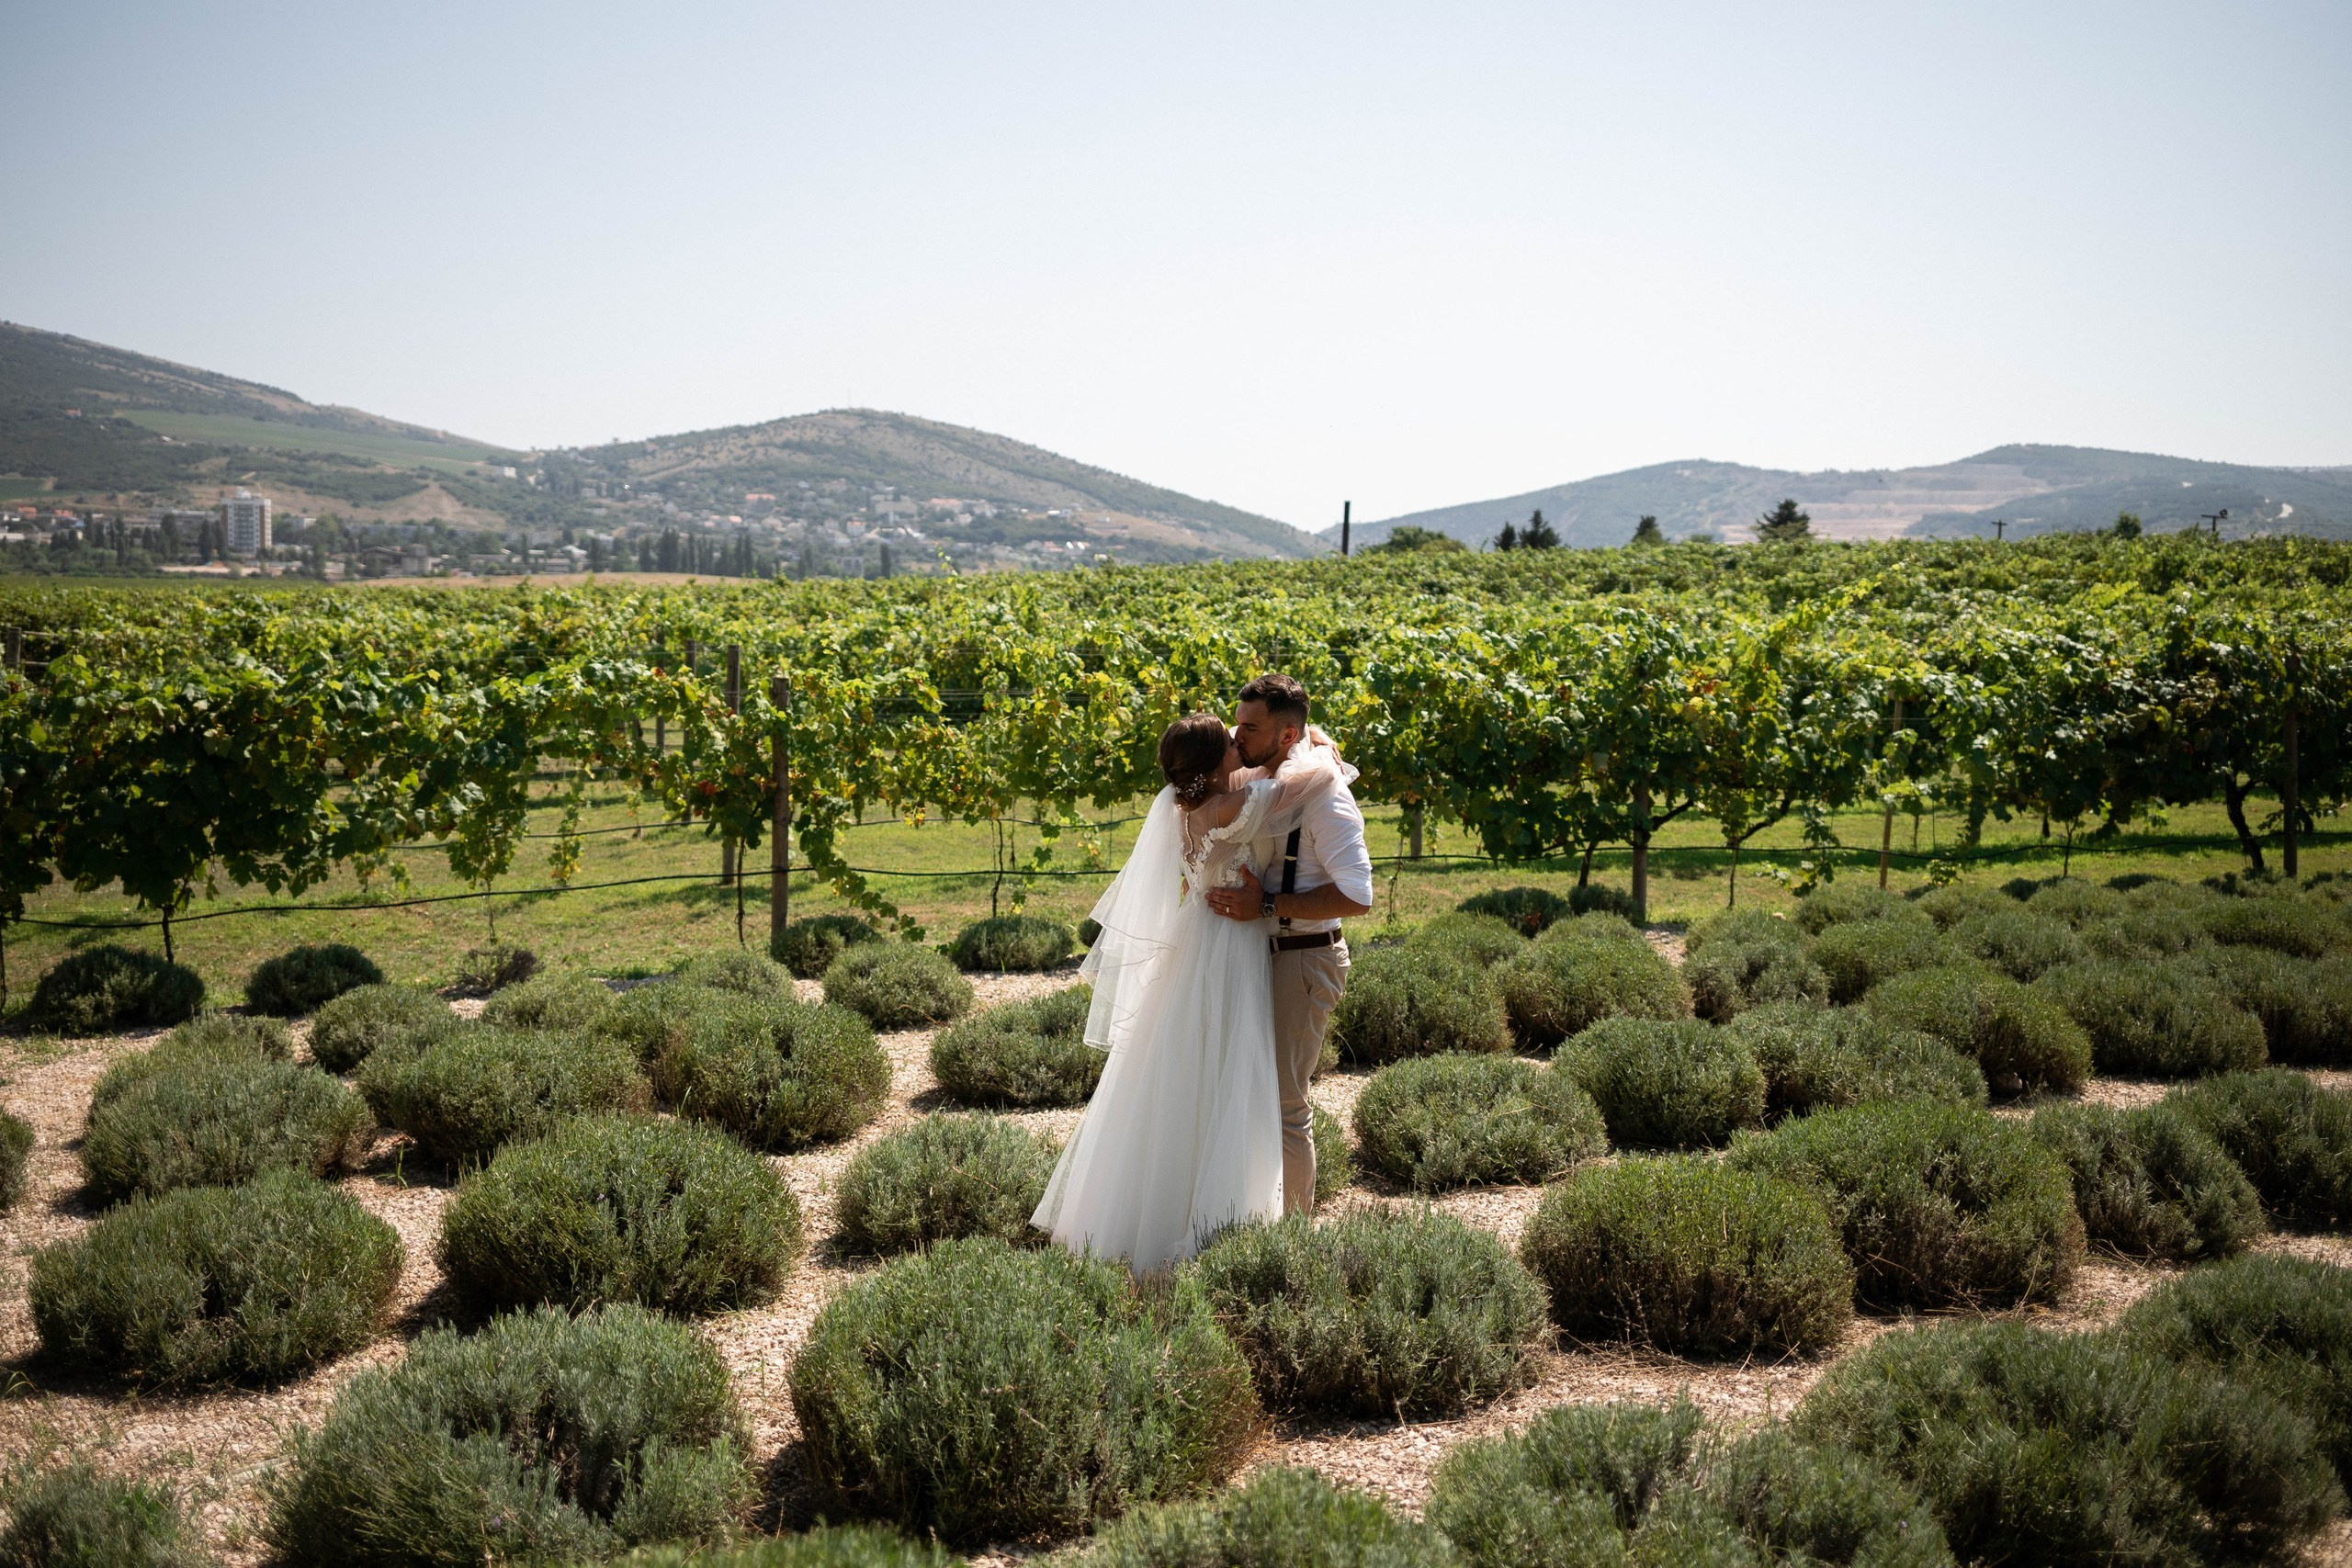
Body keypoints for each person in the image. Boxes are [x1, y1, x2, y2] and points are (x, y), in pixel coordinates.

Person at [1030, 705, 1359, 1274]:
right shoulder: (1233, 807)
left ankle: (1170, 1206)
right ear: (1216, 763)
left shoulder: (1183, 807)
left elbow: (1265, 772)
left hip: (1195, 942)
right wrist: (1320, 748)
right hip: (1231, 949)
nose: (1239, 744)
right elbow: (1316, 778)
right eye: (1231, 742)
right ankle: (1226, 1220)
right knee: (1237, 1079)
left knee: (1187, 1078)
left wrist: (1301, 736)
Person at [1202, 673, 1373, 1213]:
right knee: (1248, 1098)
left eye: (1249, 727)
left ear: (1284, 736)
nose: (1236, 734)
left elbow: (1358, 895)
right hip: (1258, 958)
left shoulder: (1326, 796)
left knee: (1285, 1106)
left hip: (1304, 959)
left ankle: (1295, 1239)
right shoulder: (1268, 774)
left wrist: (1269, 906)